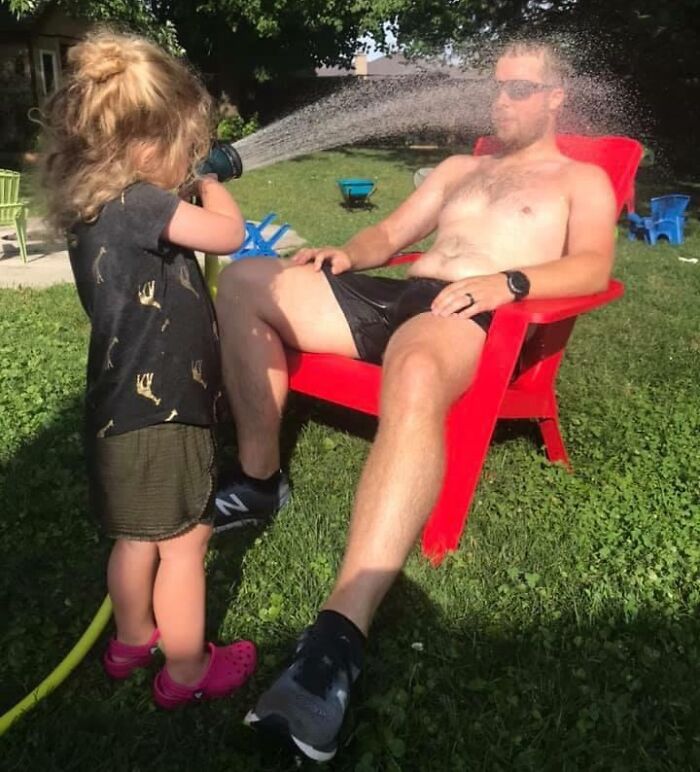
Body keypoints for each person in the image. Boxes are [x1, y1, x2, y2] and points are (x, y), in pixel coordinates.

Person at [213, 39, 617, 759]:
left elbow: (593, 263)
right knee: (248, 282)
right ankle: (259, 480)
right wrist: (348, 253)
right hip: (401, 292)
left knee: (418, 366)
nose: (503, 101)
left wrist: (512, 283)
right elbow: (392, 232)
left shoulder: (580, 180)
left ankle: (337, 639)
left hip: (476, 315)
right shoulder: (464, 167)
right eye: (498, 88)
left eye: (522, 89)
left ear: (557, 97)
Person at [40, 31, 256, 709]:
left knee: (135, 538)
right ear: (143, 142)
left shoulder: (95, 204)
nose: (188, 159)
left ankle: (131, 640)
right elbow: (230, 235)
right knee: (187, 542)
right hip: (166, 409)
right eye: (183, 145)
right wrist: (210, 180)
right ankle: (187, 669)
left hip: (116, 413)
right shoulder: (144, 203)